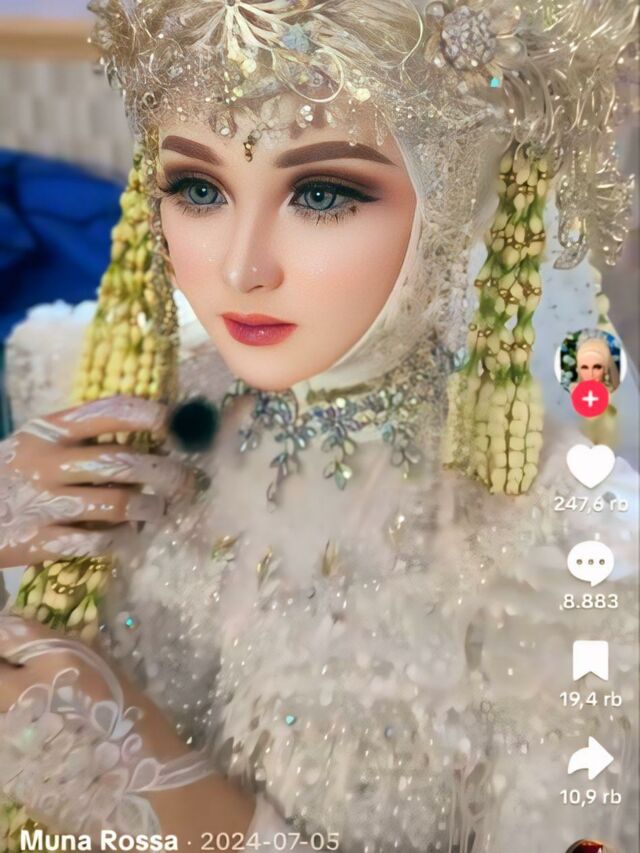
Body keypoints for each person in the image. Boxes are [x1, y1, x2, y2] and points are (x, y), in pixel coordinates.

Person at [0, 1, 638, 851]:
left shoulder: (572, 558)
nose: (241, 268)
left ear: (461, 197)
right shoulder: (85, 389)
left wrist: (160, 796)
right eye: (198, 189)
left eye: (322, 193)